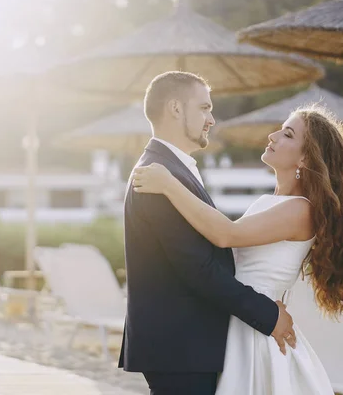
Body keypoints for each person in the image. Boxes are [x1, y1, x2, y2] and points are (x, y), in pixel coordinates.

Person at [131, 97, 343, 394]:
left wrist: (170, 184)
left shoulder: (301, 209)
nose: (273, 136)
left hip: (255, 330)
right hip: (243, 318)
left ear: (305, 159)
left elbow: (225, 235)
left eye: (288, 134)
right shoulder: (274, 202)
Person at [118, 71, 298, 395]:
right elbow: (198, 268)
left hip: (187, 345)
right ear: (175, 108)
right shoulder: (157, 175)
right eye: (204, 108)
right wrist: (268, 315)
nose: (212, 119)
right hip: (180, 346)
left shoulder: (170, 170)